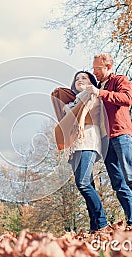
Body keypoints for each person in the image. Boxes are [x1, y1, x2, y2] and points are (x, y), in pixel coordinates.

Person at [85, 53, 132, 229]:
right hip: (105, 141)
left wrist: (100, 93)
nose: (95, 72)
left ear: (108, 66)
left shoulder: (119, 80)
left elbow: (127, 99)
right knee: (118, 183)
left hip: (121, 135)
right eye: (93, 68)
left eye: (97, 68)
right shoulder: (97, 87)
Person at [52, 71, 109, 232]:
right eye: (76, 78)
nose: (79, 80)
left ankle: (103, 223)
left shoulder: (91, 95)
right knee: (87, 184)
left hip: (89, 142)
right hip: (76, 147)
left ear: (91, 81)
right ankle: (95, 226)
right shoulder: (73, 102)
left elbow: (88, 106)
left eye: (84, 77)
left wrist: (80, 118)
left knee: (82, 183)